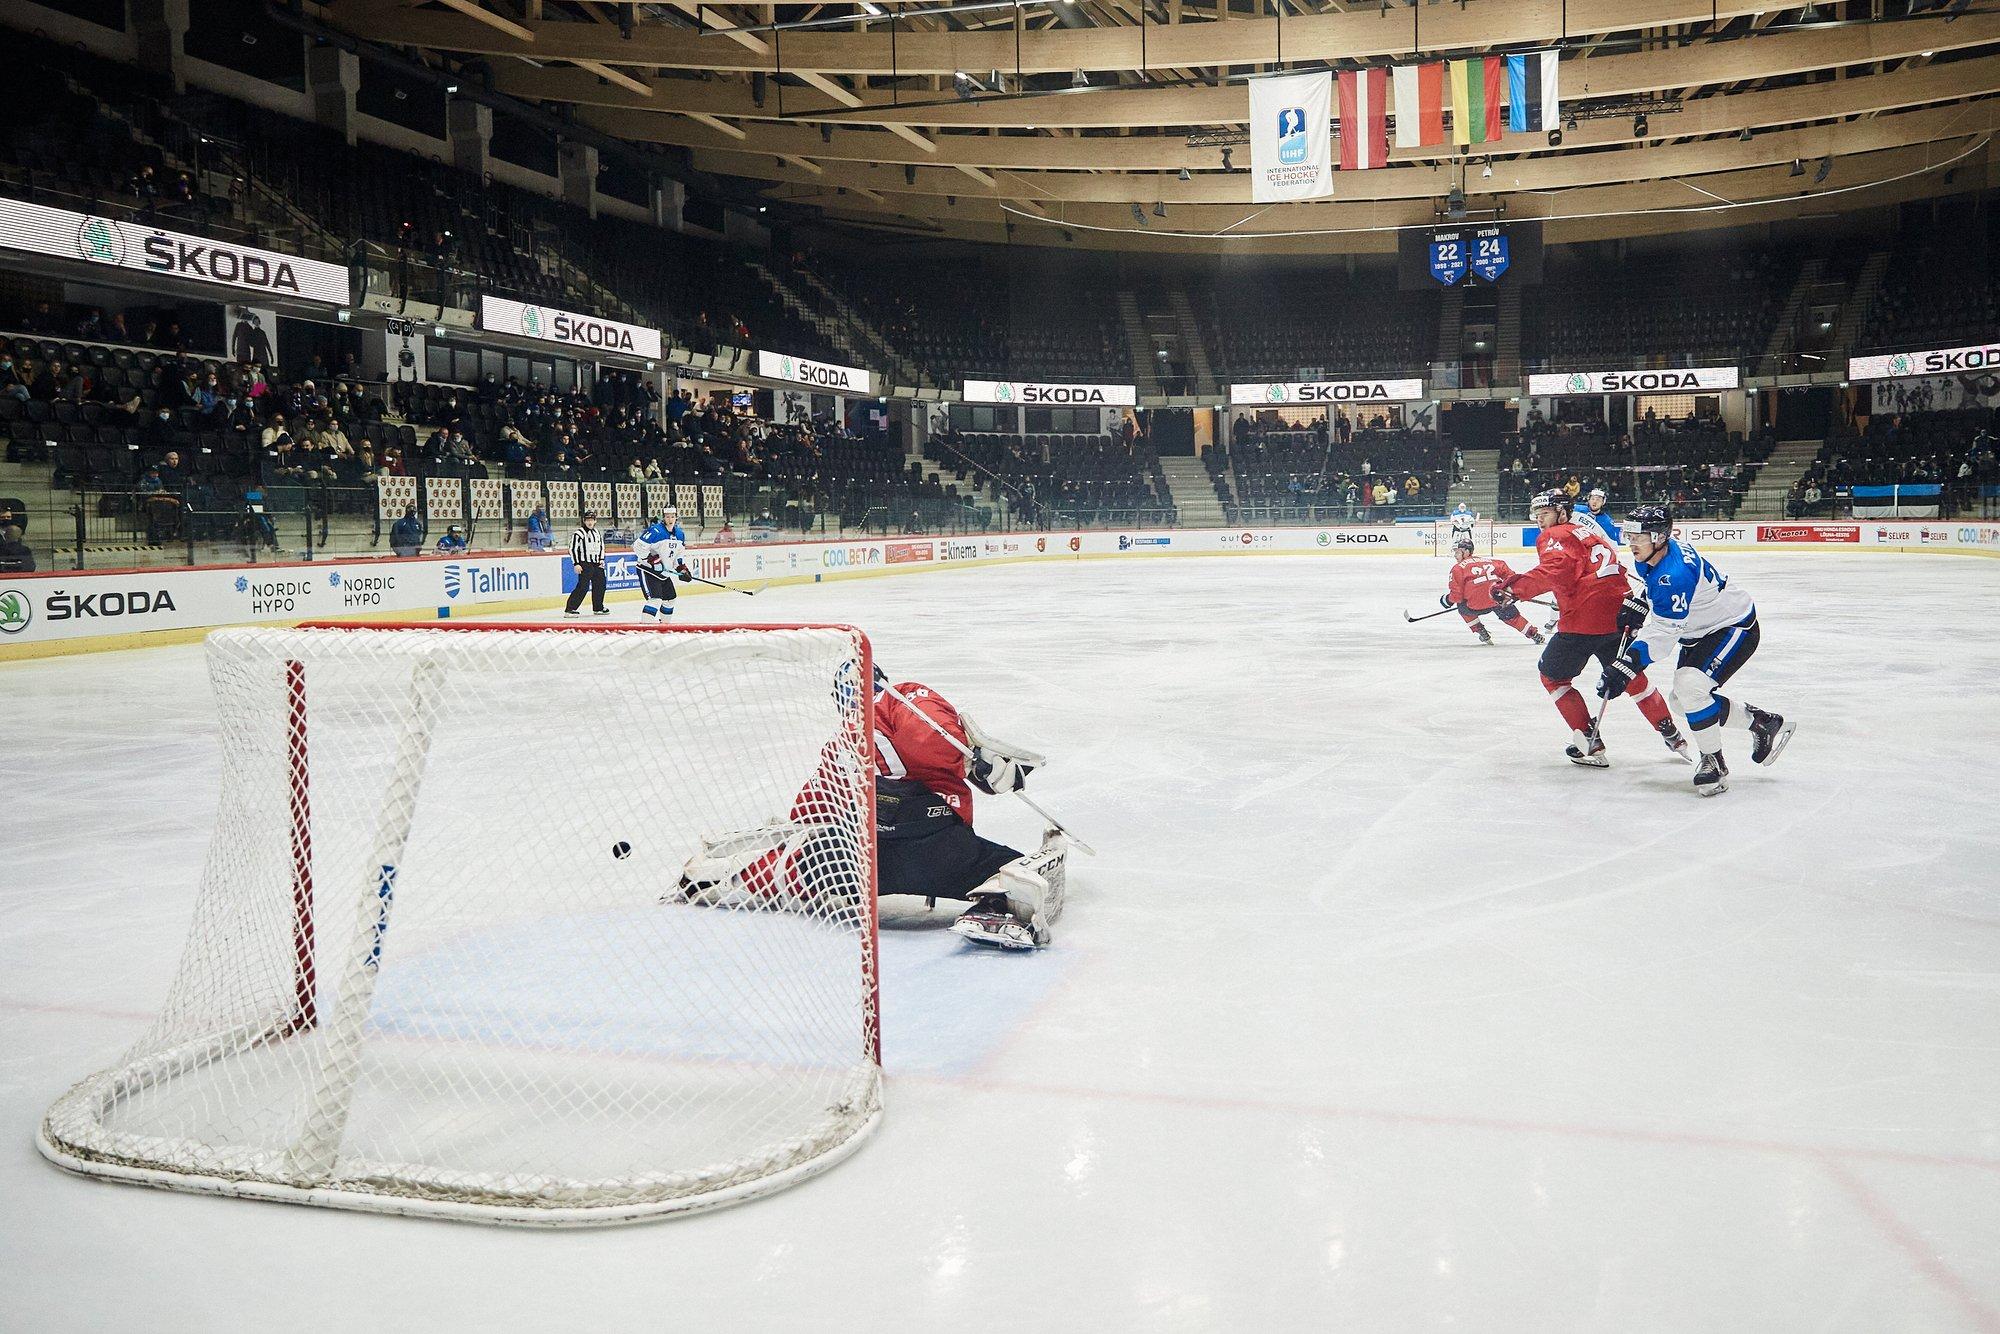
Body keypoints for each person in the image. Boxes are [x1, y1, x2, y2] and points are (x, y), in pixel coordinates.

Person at [674, 664, 1066, 950]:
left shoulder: (839, 742)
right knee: (996, 866)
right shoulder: (904, 699)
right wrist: (973, 763)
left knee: (808, 861)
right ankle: (1000, 897)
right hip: (933, 848)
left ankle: (723, 876)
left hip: (864, 864)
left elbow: (809, 811)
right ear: (879, 679)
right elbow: (928, 740)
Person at [1603, 506, 1795, 796]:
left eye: (1637, 537)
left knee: (1691, 689)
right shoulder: (1655, 553)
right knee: (1682, 702)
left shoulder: (1675, 573)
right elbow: (1658, 589)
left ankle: (1713, 762)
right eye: (1629, 536)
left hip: (1733, 626)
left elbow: (1665, 635)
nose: (1631, 543)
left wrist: (1628, 663)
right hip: (1701, 630)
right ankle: (1763, 723)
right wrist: (1643, 602)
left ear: (1658, 537)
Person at [1496, 489, 1688, 766]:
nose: (1540, 520)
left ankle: (1590, 742)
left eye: (1546, 513)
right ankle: (1671, 733)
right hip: (1621, 615)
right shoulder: (1588, 533)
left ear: (1562, 512)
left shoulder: (1555, 535)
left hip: (1583, 621)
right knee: (1631, 676)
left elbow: (1557, 570)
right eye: (1537, 515)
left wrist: (1514, 589)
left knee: (1553, 677)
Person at [1441, 535, 1543, 647]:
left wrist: (1447, 600)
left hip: (1476, 604)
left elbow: (1457, 596)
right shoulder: (1492, 562)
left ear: (1466, 552)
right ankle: (1533, 633)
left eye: (1457, 552)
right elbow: (1511, 576)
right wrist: (1512, 591)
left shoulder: (1458, 568)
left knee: (1462, 607)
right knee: (1512, 617)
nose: (1455, 555)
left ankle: (1480, 630)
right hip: (1497, 597)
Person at [632, 508, 691, 622]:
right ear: (663, 517)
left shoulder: (680, 534)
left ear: (676, 517)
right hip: (648, 570)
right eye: (667, 516)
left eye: (672, 516)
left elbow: (678, 555)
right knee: (655, 599)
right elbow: (638, 546)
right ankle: (645, 627)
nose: (670, 519)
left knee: (670, 599)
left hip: (663, 573)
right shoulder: (655, 531)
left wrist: (682, 569)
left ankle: (664, 626)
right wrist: (652, 560)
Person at [564, 511, 608, 616]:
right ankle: (570, 609)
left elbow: (601, 547)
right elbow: (572, 549)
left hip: (597, 563)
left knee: (600, 585)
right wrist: (576, 563)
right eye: (587, 520)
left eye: (592, 520)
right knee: (583, 587)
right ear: (584, 521)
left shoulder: (597, 533)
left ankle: (598, 607)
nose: (590, 522)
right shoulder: (579, 533)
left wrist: (601, 559)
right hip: (585, 563)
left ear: (595, 521)